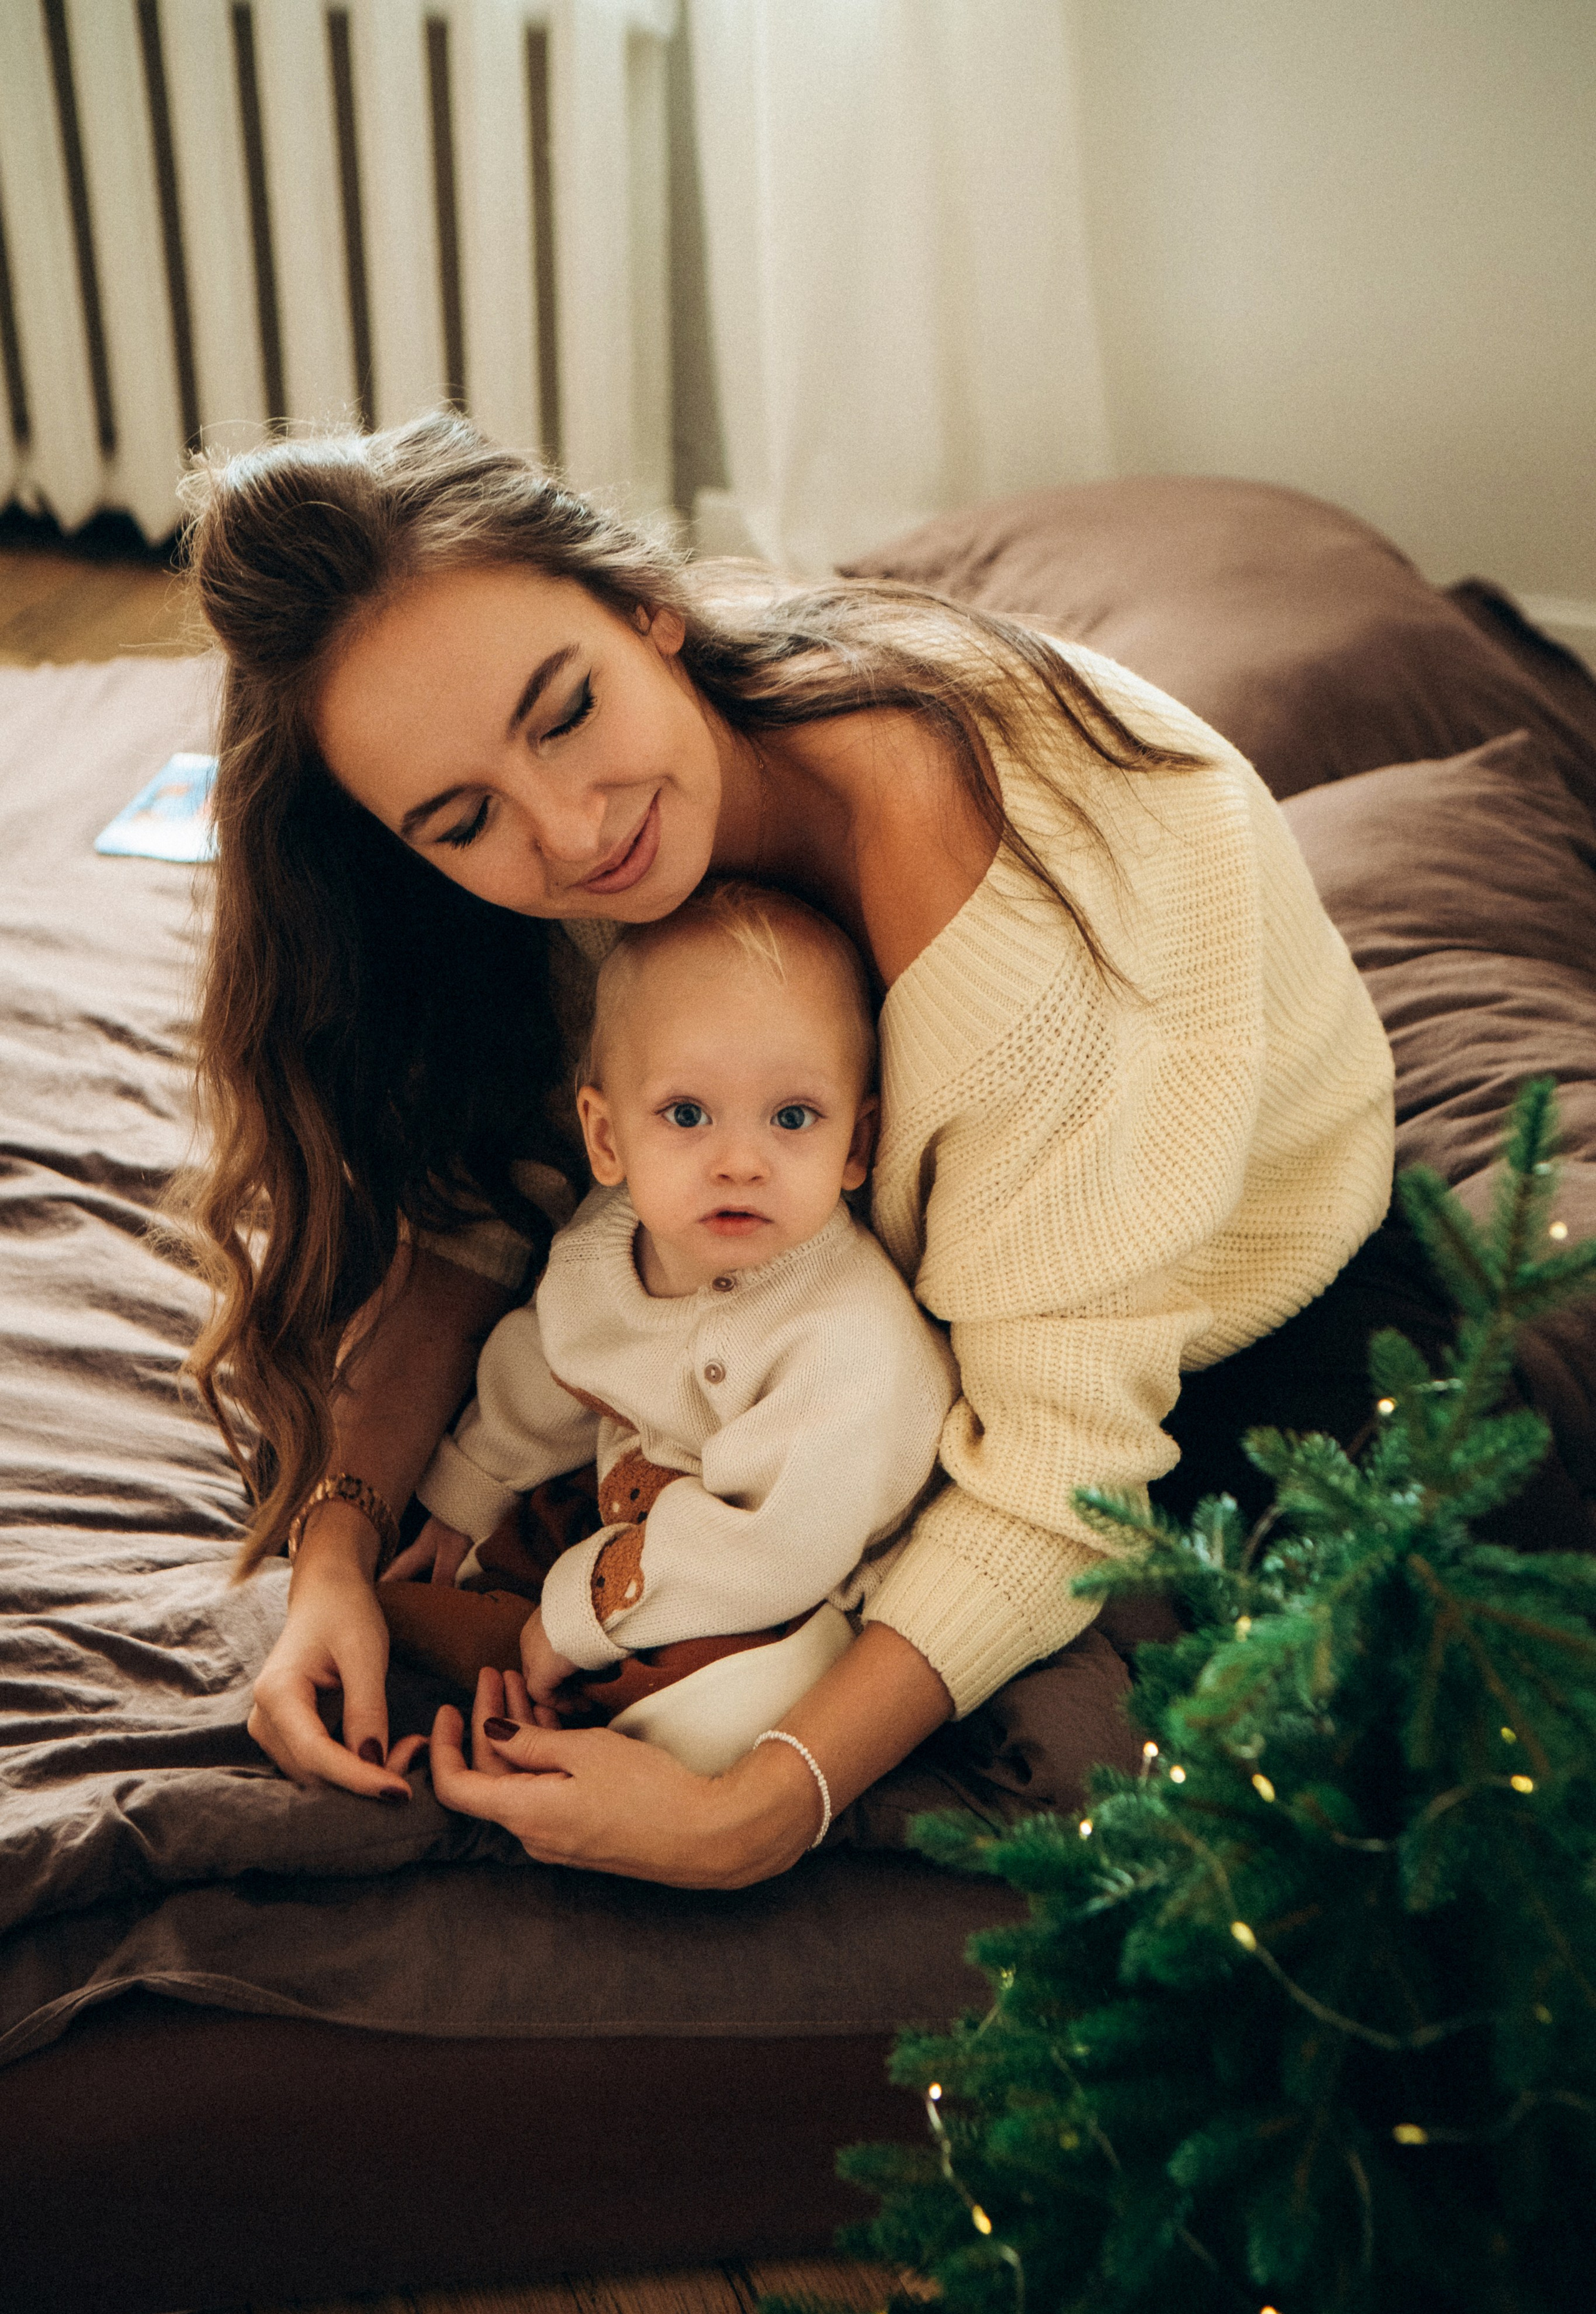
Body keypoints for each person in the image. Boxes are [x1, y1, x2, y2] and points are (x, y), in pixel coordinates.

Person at [179, 412, 1397, 1887]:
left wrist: (751, 1816)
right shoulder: (591, 874)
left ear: (650, 609)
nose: (568, 833)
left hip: (1227, 1281)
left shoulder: (1035, 978)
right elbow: (490, 1199)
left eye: (566, 713)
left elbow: (1060, 1489)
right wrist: (333, 1555)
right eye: (460, 819)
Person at [402, 877, 958, 1775]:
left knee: (737, 1701)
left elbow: (772, 1548)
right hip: (638, 1505)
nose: (740, 1162)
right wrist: (467, 1492)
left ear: (856, 1146)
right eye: (687, 1115)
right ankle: (501, 1634)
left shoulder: (847, 1340)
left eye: (793, 1118)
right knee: (502, 1538)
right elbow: (550, 1366)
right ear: (606, 1138)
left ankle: (592, 1711)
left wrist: (577, 1614)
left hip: (796, 1570)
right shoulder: (602, 1249)